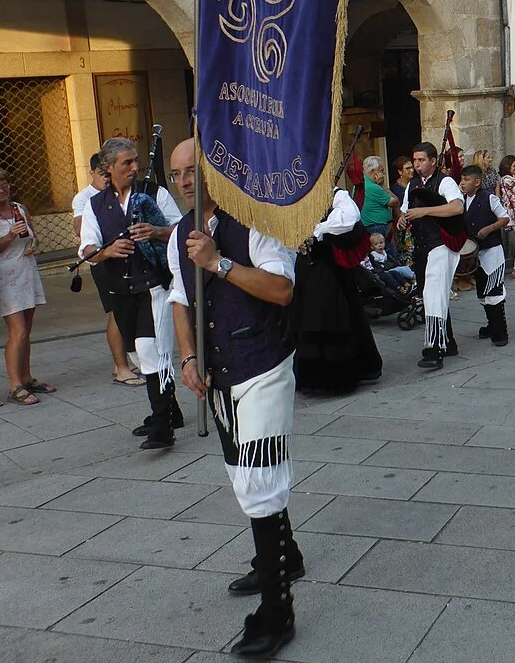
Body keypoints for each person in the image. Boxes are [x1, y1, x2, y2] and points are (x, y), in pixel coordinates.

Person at [165, 139, 301, 658]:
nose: (182, 181)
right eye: (176, 174)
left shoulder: (257, 219)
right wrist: (187, 357)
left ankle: (277, 609)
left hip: (262, 364)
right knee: (242, 474)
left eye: (190, 171)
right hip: (217, 372)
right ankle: (285, 553)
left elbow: (281, 289)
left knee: (260, 480)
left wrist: (219, 263)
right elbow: (180, 299)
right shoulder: (181, 232)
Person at [79, 137, 183, 449]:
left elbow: (183, 231)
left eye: (136, 161)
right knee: (138, 353)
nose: (135, 167)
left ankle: (162, 426)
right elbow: (87, 248)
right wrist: (108, 250)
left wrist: (157, 231)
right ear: (107, 168)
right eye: (127, 163)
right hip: (120, 290)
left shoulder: (156, 194)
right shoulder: (95, 205)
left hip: (153, 286)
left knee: (153, 352)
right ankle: (169, 410)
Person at [288, 184, 383, 392]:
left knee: (332, 315)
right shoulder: (295, 194)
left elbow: (350, 219)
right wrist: (296, 239)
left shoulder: (336, 195)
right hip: (306, 266)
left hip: (330, 268)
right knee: (307, 316)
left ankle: (337, 378)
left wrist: (318, 230)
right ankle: (310, 378)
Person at [0, 166, 50, 406]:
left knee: (26, 330)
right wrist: (9, 236)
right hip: (5, 277)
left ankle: (26, 377)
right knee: (17, 331)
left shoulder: (20, 209)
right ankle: (14, 385)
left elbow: (33, 235)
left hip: (26, 271)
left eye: (4, 185)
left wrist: (33, 243)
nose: (1, 191)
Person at [74, 153, 141, 386]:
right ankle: (120, 365)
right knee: (116, 310)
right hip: (104, 261)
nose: (106, 178)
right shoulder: (87, 198)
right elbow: (82, 233)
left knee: (131, 309)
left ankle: (128, 360)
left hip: (129, 259)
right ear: (97, 171)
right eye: (103, 173)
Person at [403, 141, 464, 369]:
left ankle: (434, 350)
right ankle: (449, 343)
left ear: (432, 161)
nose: (416, 165)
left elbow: (457, 207)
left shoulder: (445, 181)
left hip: (440, 244)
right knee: (433, 296)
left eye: (421, 160)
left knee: (433, 296)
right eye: (415, 160)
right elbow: (406, 209)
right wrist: (403, 219)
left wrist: (424, 211)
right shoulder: (414, 184)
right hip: (421, 248)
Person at [460, 164, 511, 345]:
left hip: (492, 250)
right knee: (482, 293)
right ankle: (492, 325)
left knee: (494, 291)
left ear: (477, 182)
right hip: (475, 254)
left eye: (466, 180)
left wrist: (490, 228)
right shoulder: (462, 200)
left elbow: (505, 218)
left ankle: (501, 333)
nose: (463, 183)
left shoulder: (489, 198)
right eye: (462, 180)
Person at [360, 155, 399, 236]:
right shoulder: (373, 187)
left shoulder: (362, 183)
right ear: (374, 171)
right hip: (377, 227)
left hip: (371, 226)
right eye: (381, 170)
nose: (384, 173)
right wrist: (382, 185)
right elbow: (395, 202)